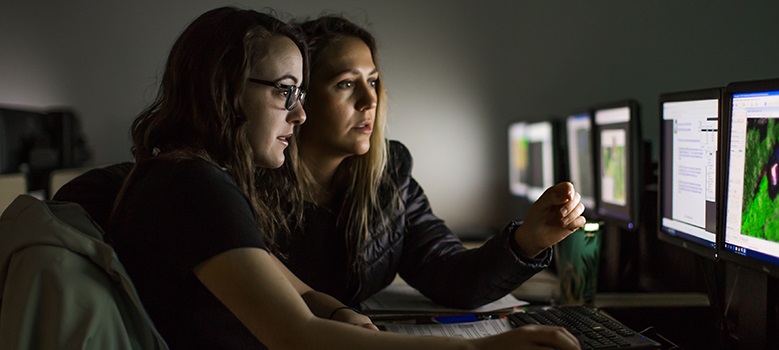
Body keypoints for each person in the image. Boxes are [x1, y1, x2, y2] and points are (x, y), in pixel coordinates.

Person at [106, 6, 579, 349]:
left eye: (374, 82)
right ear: (226, 93)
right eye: (287, 93)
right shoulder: (203, 185)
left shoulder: (200, 177)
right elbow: (296, 334)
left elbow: (303, 294)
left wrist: (526, 243)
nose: (299, 114)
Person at [281, 14, 586, 310]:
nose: (369, 100)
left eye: (373, 82)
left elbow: (452, 276)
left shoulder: (389, 177)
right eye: (346, 84)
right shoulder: (251, 184)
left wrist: (526, 242)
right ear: (300, 97)